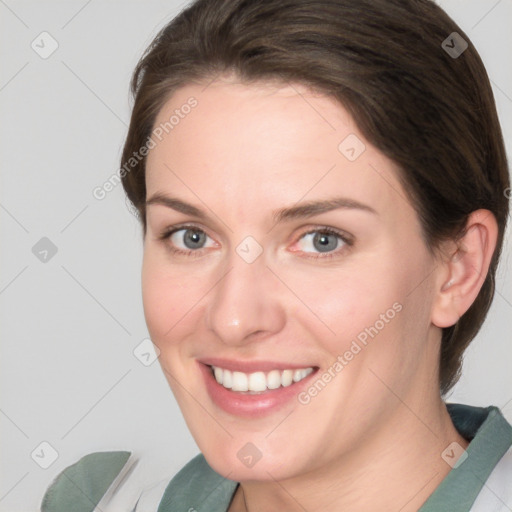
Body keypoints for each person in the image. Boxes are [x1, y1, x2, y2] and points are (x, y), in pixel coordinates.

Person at [41, 0, 512, 510]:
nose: (234, 318)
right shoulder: (99, 501)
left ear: (457, 268)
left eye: (321, 240)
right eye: (191, 236)